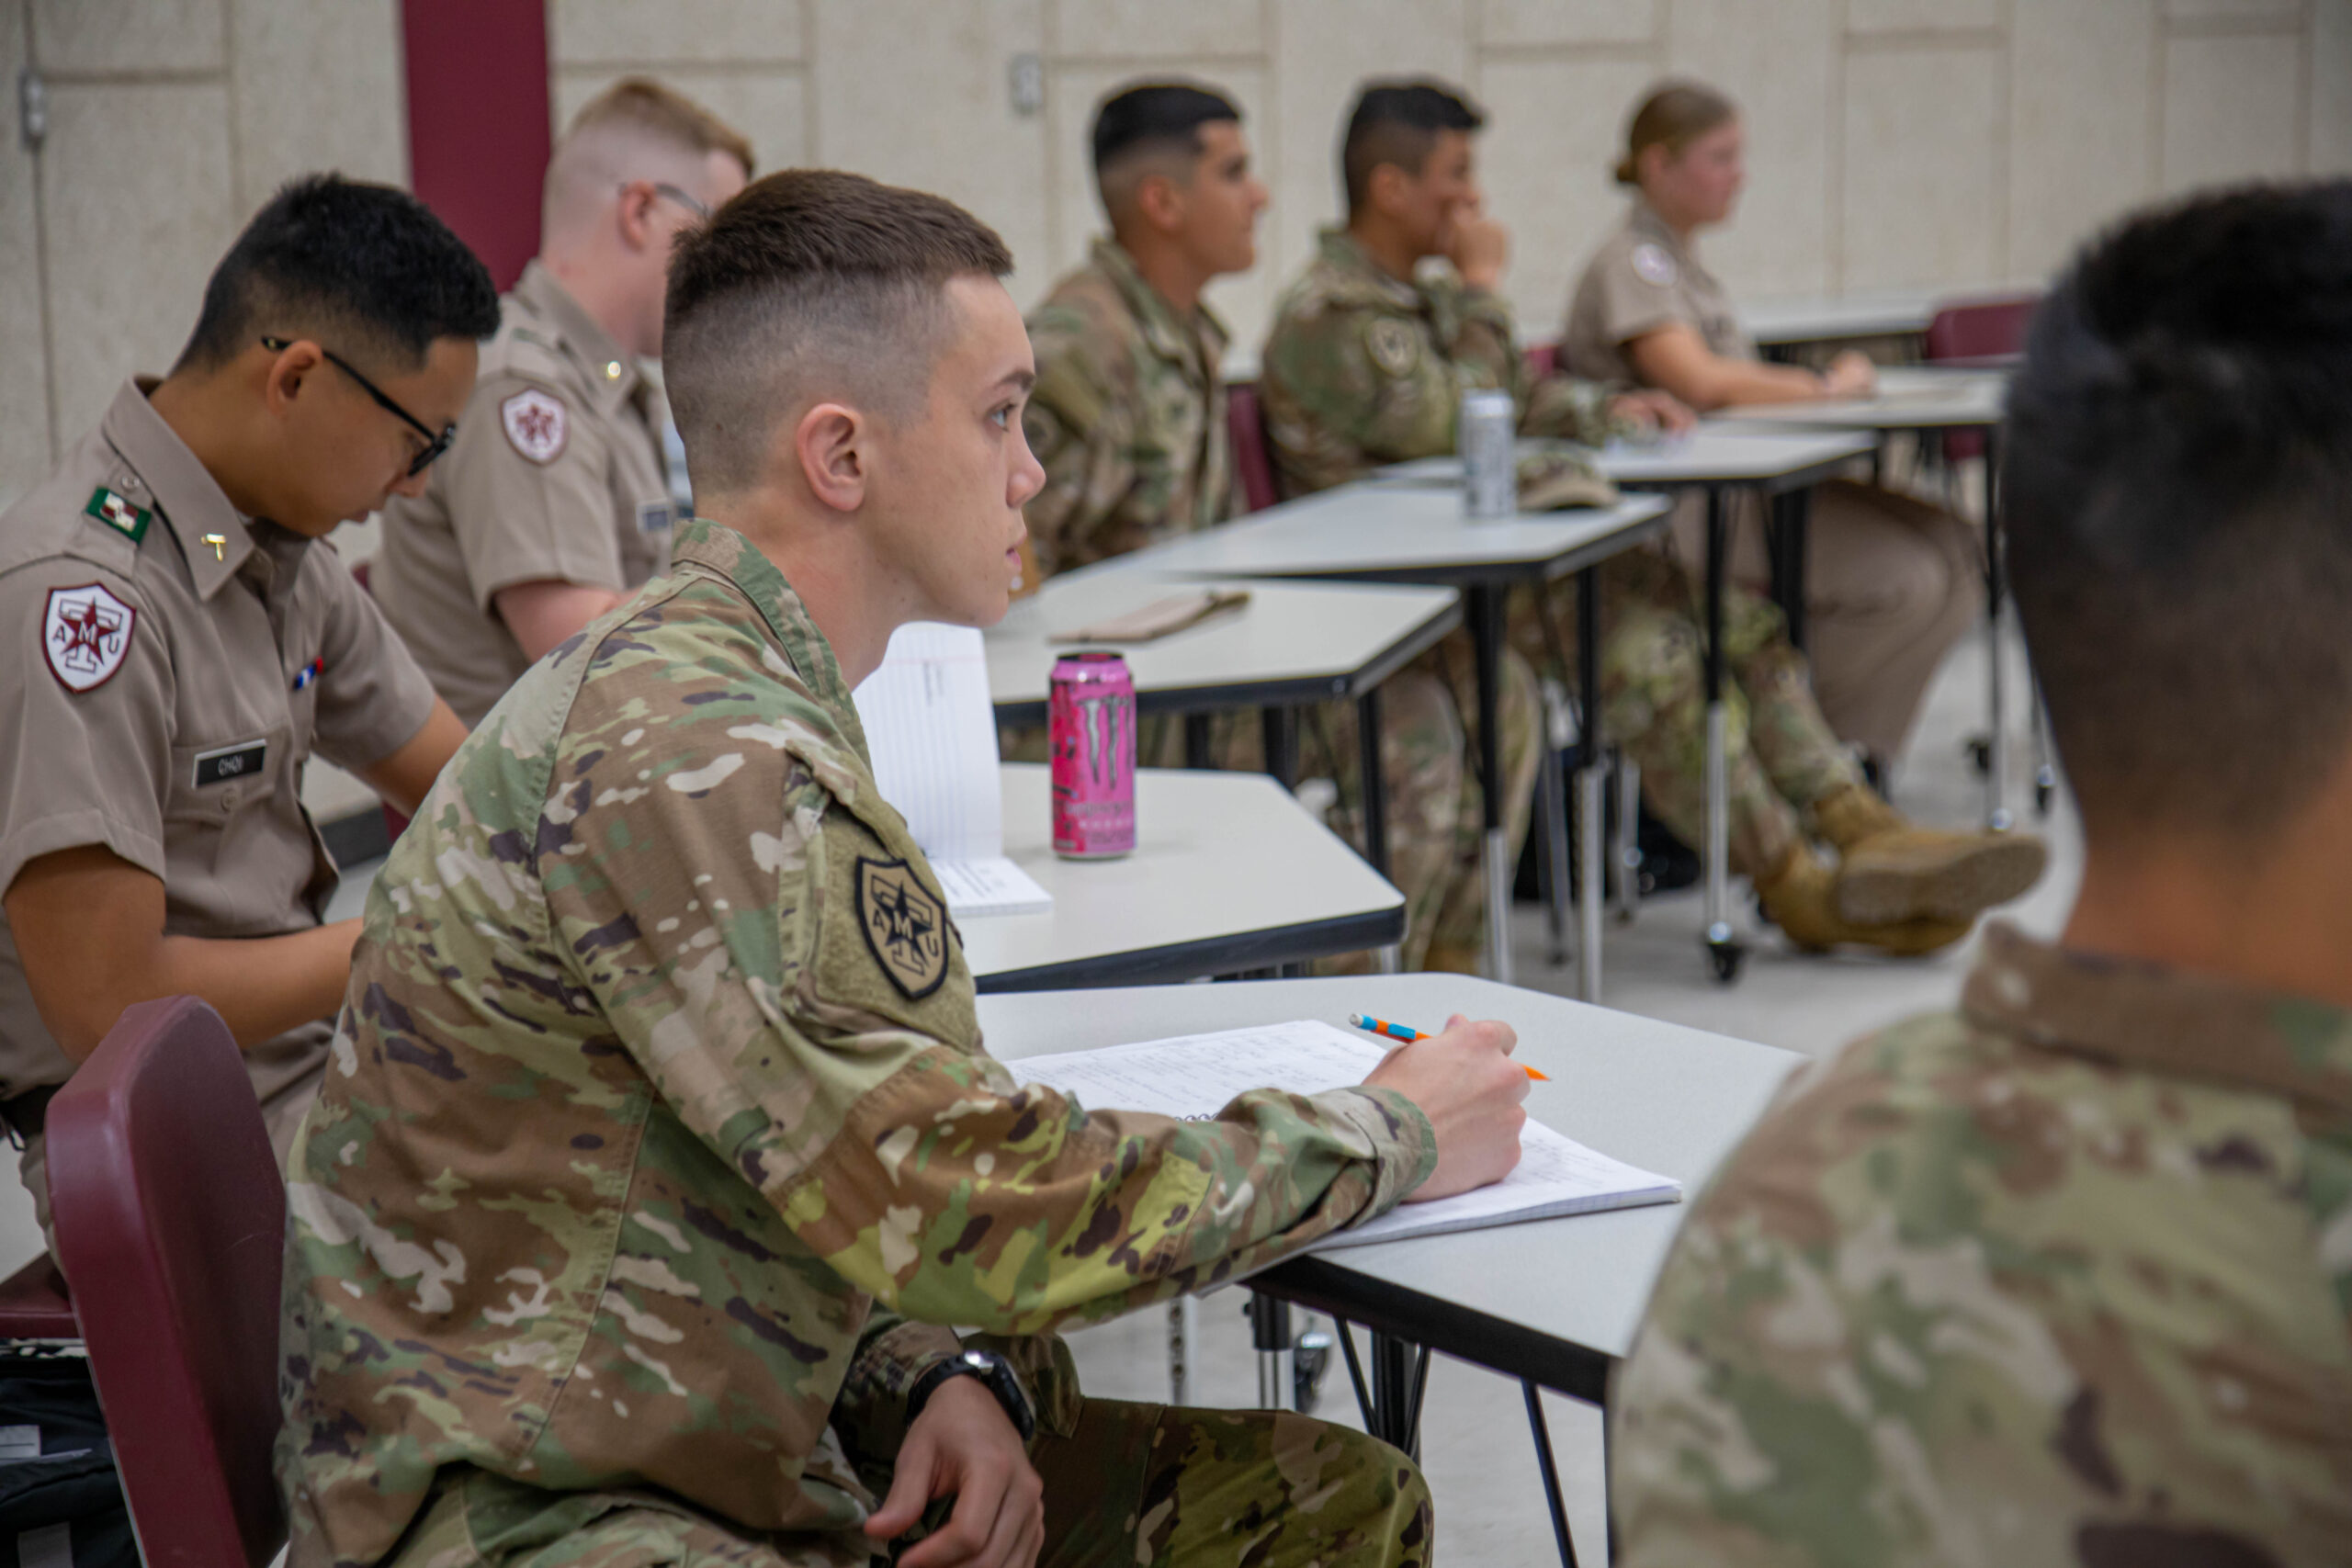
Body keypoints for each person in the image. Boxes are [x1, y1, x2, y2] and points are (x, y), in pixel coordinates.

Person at [278, 167, 1536, 1568]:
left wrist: (937, 1370)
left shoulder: (726, 687)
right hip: (542, 1510)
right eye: (999, 415)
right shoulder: (701, 752)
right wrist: (1389, 1130)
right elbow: (962, 1195)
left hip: (688, 1430)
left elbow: (797, 1166)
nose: (1030, 470)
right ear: (842, 456)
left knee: (1329, 1502)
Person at [1611, 182, 2352, 1564]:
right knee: (1696, 638)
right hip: (1596, 579)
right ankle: (1822, 863)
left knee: (1761, 629)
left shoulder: (1783, 1189)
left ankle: (1852, 836)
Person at [1262, 80, 2041, 956]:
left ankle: (1854, 821)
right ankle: (1794, 884)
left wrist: (1608, 410)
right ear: (1391, 188)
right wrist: (1484, 287)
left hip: (1498, 562)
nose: (1473, 199)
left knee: (1729, 619)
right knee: (1650, 654)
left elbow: (1518, 396)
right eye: (1456, 174)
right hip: (1417, 590)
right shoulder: (1334, 313)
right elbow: (1460, 425)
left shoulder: (1422, 302)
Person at [0, 175, 487, 1237]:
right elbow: (107, 1005)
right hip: (178, 1150)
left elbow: (480, 786)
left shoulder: (270, 551)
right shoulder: (86, 602)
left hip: (315, 1073)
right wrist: (404, 936)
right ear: (299, 378)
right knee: (614, 1221)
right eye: (422, 442)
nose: (414, 486)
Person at [1020, 79, 1473, 971]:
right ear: (1163, 201)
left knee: (1468, 695)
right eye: (1234, 172)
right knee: (1410, 731)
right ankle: (1325, 1011)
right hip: (1114, 713)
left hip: (1203, 668)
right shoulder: (1081, 346)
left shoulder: (1178, 332)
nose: (1260, 195)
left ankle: (1418, 980)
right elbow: (1006, 563)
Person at [1565, 79, 1982, 769]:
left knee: (1960, 548)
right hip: (1689, 510)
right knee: (1908, 579)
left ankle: (1846, 759)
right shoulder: (1630, 262)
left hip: (1753, 487)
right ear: (1658, 165)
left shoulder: (1679, 263)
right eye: (1720, 157)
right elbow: (1698, 382)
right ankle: (1789, 753)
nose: (1739, 175)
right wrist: (1825, 388)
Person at [373, 76, 753, 725]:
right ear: (639, 211)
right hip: (527, 817)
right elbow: (584, 647)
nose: (733, 272)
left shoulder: (605, 384)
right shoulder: (524, 389)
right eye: (719, 233)